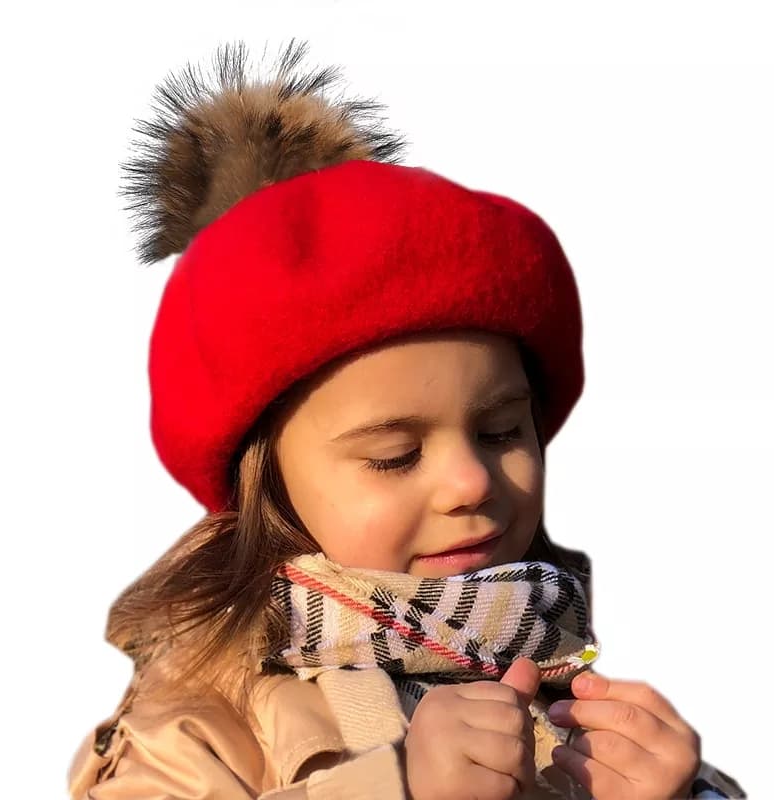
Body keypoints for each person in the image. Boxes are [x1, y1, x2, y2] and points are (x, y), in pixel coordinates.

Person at [67, 39, 745, 800]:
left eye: (502, 433)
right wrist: (393, 788)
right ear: (267, 480)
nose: (469, 483)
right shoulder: (193, 722)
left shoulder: (571, 695)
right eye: (394, 454)